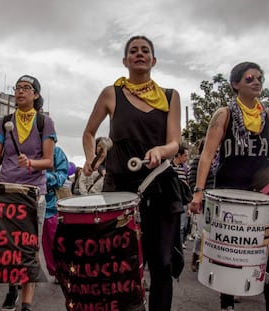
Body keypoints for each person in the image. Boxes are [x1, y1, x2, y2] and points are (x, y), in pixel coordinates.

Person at [82, 35, 182, 311]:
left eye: (145, 50)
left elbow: (175, 142)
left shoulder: (170, 96)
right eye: (133, 51)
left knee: (162, 263)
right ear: (125, 61)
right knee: (118, 263)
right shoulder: (110, 93)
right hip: (118, 188)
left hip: (159, 185)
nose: (140, 54)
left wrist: (161, 150)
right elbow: (89, 133)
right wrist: (91, 159)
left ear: (154, 60)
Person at [189, 62, 269, 311]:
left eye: (259, 78)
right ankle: (227, 304)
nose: (256, 82)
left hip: (267, 195)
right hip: (231, 197)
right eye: (249, 79)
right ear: (235, 84)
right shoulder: (223, 114)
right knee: (229, 255)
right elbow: (207, 154)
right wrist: (199, 192)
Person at [0, 75, 56, 311]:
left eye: (26, 88)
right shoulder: (4, 121)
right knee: (8, 246)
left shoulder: (45, 123)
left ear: (36, 94)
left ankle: (26, 303)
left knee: (30, 247)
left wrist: (32, 164)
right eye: (18, 88)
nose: (20, 91)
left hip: (34, 192)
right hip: (7, 189)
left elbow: (47, 162)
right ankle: (11, 288)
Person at [188, 138, 216, 272]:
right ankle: (195, 257)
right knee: (201, 232)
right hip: (203, 199)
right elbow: (192, 179)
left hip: (215, 201)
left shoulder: (218, 160)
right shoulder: (199, 160)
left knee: (212, 233)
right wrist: (197, 195)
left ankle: (207, 259)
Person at [42, 146, 68, 283]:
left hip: (51, 205)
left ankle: (59, 271)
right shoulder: (25, 150)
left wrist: (40, 174)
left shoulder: (56, 152)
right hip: (26, 203)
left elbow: (61, 177)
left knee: (53, 241)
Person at [171, 145, 191, 249]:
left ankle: (178, 246)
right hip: (171, 201)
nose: (186, 158)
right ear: (178, 155)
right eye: (185, 155)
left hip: (182, 201)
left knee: (182, 226)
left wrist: (189, 206)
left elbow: (188, 189)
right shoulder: (169, 167)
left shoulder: (186, 169)